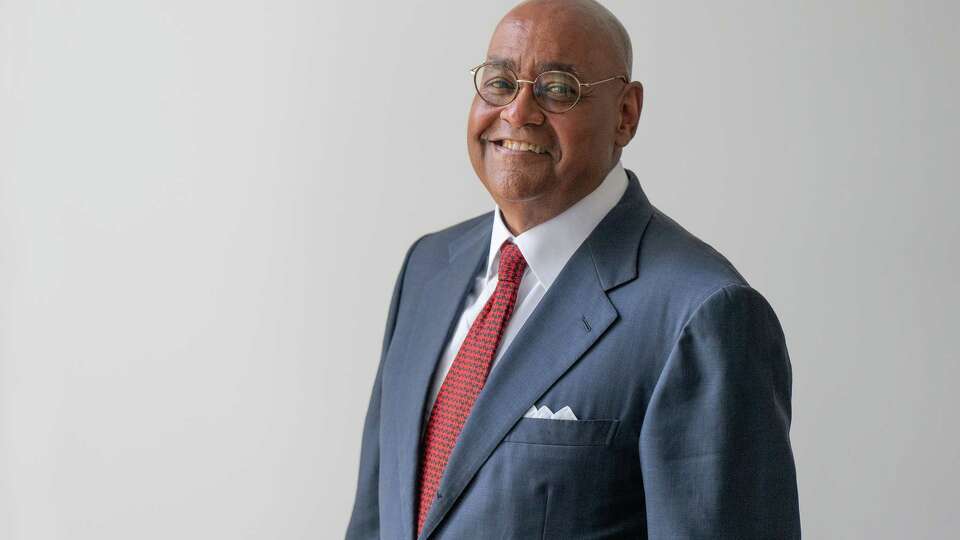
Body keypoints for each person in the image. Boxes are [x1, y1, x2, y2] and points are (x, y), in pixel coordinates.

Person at [346, 0, 801, 537]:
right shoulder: (426, 270)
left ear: (626, 114)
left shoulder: (702, 317)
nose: (517, 112)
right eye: (499, 81)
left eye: (558, 88)